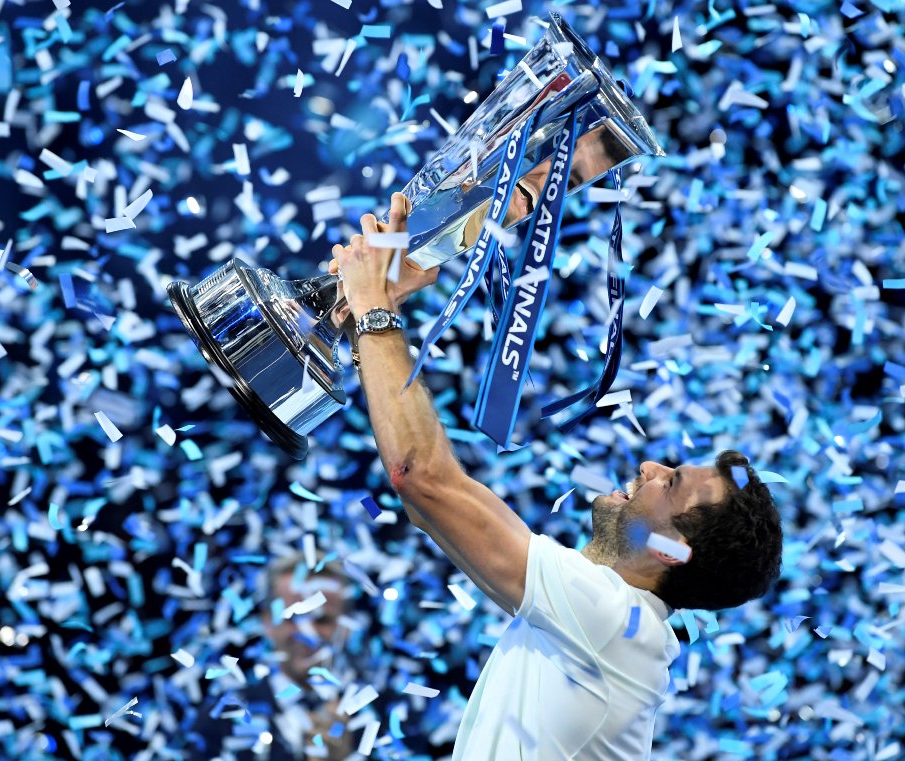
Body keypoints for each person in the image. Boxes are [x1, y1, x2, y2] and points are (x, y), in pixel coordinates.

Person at [329, 193, 784, 759]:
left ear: (671, 550)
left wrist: (375, 305)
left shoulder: (613, 623)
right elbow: (426, 506)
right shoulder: (617, 628)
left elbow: (420, 478)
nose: (649, 466)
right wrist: (374, 318)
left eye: (669, 483)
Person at [191, 555, 361, 760]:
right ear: (267, 622)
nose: (307, 634)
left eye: (322, 619)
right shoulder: (221, 718)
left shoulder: (384, 715)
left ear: (346, 626)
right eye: (293, 616)